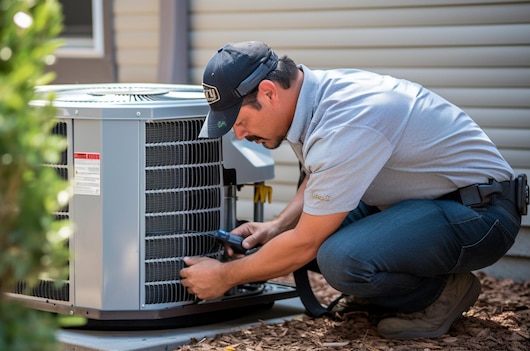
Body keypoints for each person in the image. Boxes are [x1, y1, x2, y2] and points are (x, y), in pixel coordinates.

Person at [179, 41, 527, 339]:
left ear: (269, 92)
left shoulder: (348, 118)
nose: (239, 135)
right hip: (422, 204)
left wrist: (224, 277)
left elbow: (306, 243)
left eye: (239, 122)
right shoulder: (314, 97)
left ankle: (440, 294)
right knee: (295, 241)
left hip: (480, 214)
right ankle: (386, 292)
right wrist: (275, 227)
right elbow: (321, 176)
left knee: (340, 257)